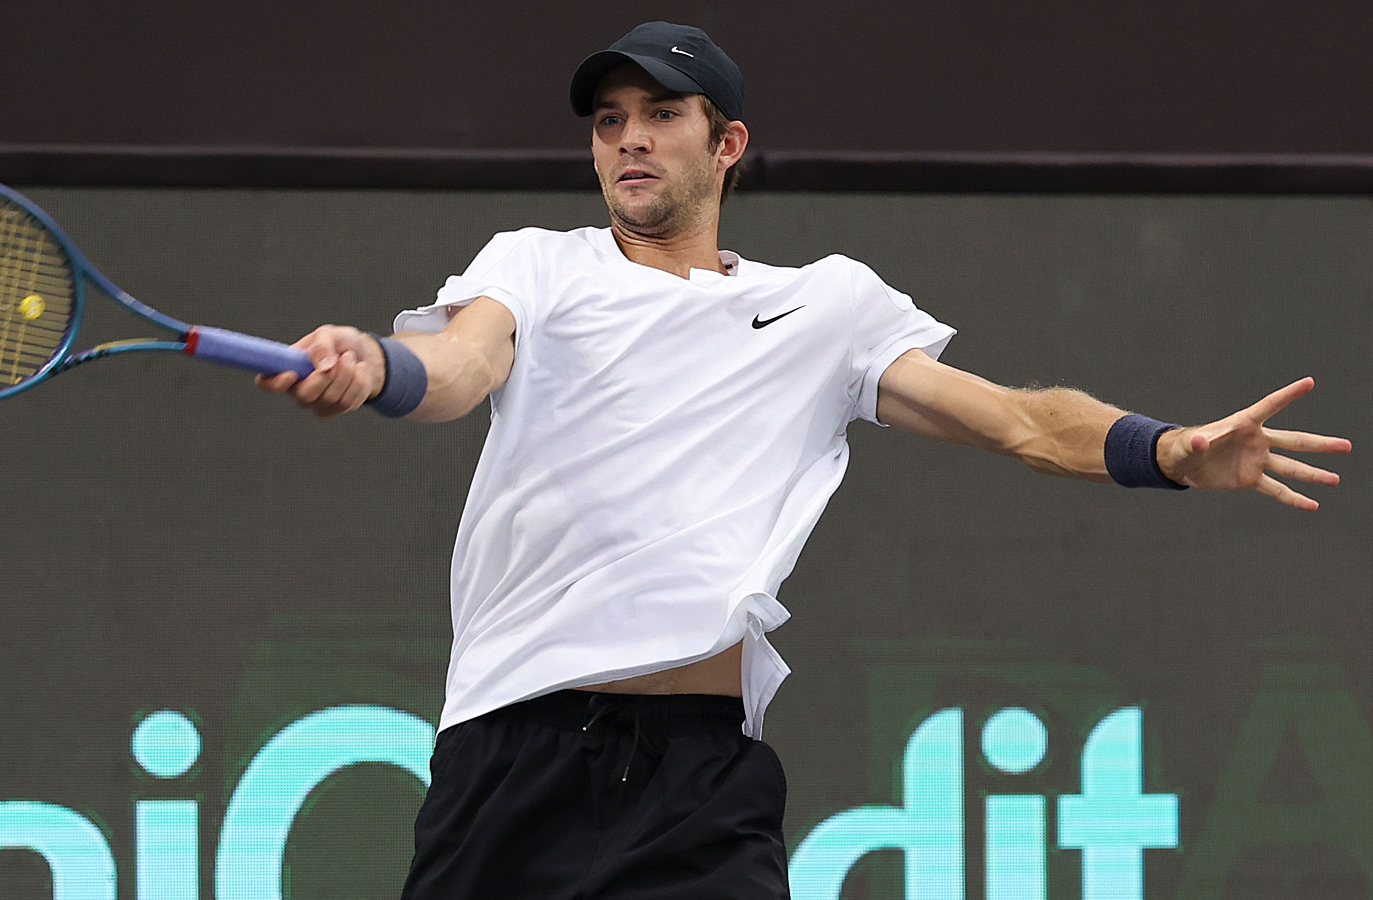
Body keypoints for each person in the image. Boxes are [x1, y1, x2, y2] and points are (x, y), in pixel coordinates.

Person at [256, 21, 1351, 900]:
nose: (629, 138)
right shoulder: (538, 266)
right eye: (608, 121)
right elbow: (455, 366)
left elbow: (1014, 421)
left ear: (725, 143)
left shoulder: (826, 305)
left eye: (661, 115)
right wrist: (376, 365)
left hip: (697, 775)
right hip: (511, 751)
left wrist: (1164, 450)